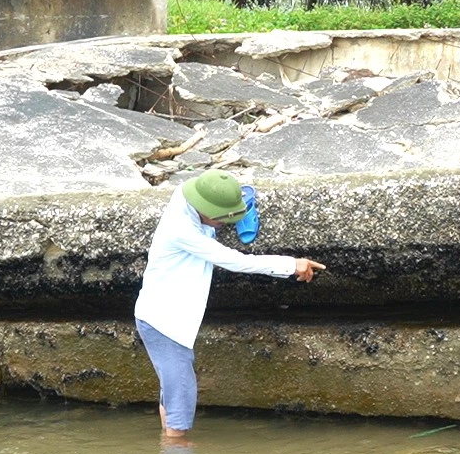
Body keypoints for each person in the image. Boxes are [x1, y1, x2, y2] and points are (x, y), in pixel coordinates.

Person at [135, 169, 324, 438]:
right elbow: (236, 261)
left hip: (161, 316)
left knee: (172, 387)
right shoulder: (181, 230)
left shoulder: (187, 193)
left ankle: (171, 446)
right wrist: (292, 264)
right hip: (163, 323)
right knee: (181, 393)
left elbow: (214, 186)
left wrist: (235, 198)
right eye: (222, 218)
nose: (225, 223)